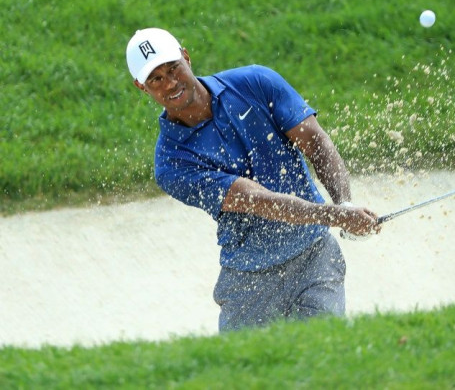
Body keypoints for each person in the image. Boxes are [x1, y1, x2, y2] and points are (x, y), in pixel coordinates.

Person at [125, 27, 381, 331]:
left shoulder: (256, 83)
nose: (170, 83)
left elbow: (316, 143)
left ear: (186, 57)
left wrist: (345, 202)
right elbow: (258, 200)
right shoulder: (171, 163)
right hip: (249, 282)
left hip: (315, 259)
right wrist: (336, 216)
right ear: (142, 86)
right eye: (156, 79)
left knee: (325, 359)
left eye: (173, 68)